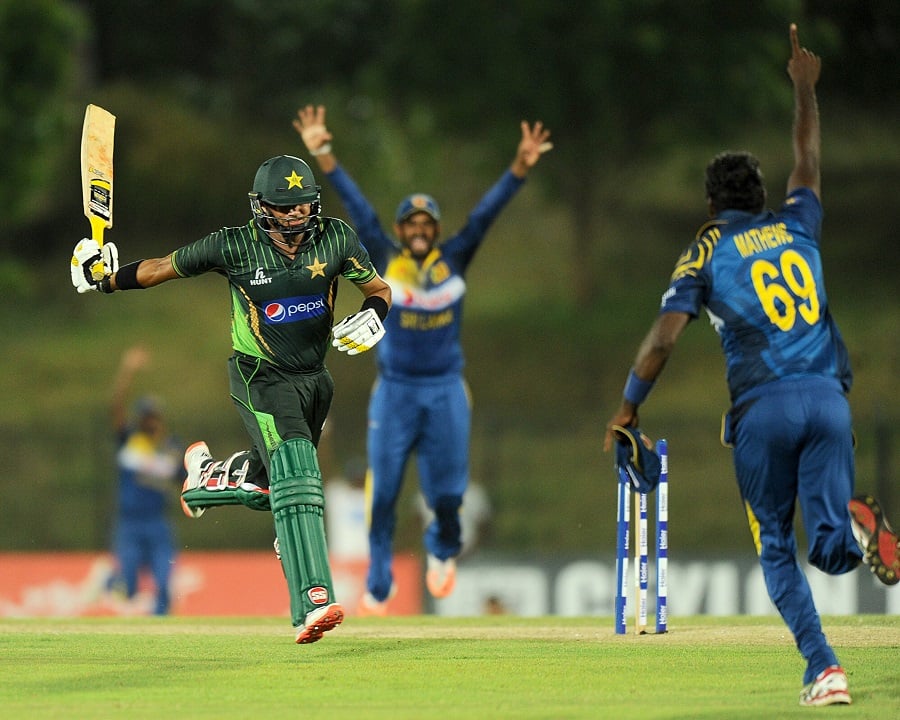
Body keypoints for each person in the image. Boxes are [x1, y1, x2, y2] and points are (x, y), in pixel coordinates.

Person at [603, 24, 899, 707]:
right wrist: (804, 91)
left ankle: (824, 667)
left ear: (712, 204)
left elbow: (663, 339)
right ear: (761, 194)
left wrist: (628, 406)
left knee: (775, 547)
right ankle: (856, 524)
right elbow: (809, 156)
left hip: (763, 410)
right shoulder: (799, 221)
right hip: (829, 400)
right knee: (828, 551)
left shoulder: (705, 250)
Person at [71, 154, 392, 644]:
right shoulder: (233, 244)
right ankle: (312, 601)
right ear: (261, 206)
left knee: (271, 487)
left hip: (314, 378)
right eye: (284, 208)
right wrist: (105, 279)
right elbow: (160, 268)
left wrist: (374, 314)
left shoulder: (336, 238)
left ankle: (208, 479)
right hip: (259, 376)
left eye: (303, 206)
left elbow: (379, 287)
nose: (295, 216)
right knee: (298, 472)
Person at [294, 105, 552, 613]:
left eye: (425, 223)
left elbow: (486, 214)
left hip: (446, 388)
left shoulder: (455, 258)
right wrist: (323, 153)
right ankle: (380, 569)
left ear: (434, 229)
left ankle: (440, 553)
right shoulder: (382, 254)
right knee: (384, 488)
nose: (417, 229)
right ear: (399, 228)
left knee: (449, 493)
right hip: (394, 389)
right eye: (409, 223)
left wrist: (520, 167)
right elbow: (355, 204)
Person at [108, 345, 183, 615]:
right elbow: (116, 405)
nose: (150, 423)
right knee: (128, 587)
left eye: (154, 418)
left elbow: (183, 477)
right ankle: (110, 580)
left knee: (164, 585)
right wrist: (127, 370)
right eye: (145, 418)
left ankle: (161, 633)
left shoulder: (171, 446)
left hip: (158, 523)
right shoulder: (130, 440)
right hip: (129, 523)